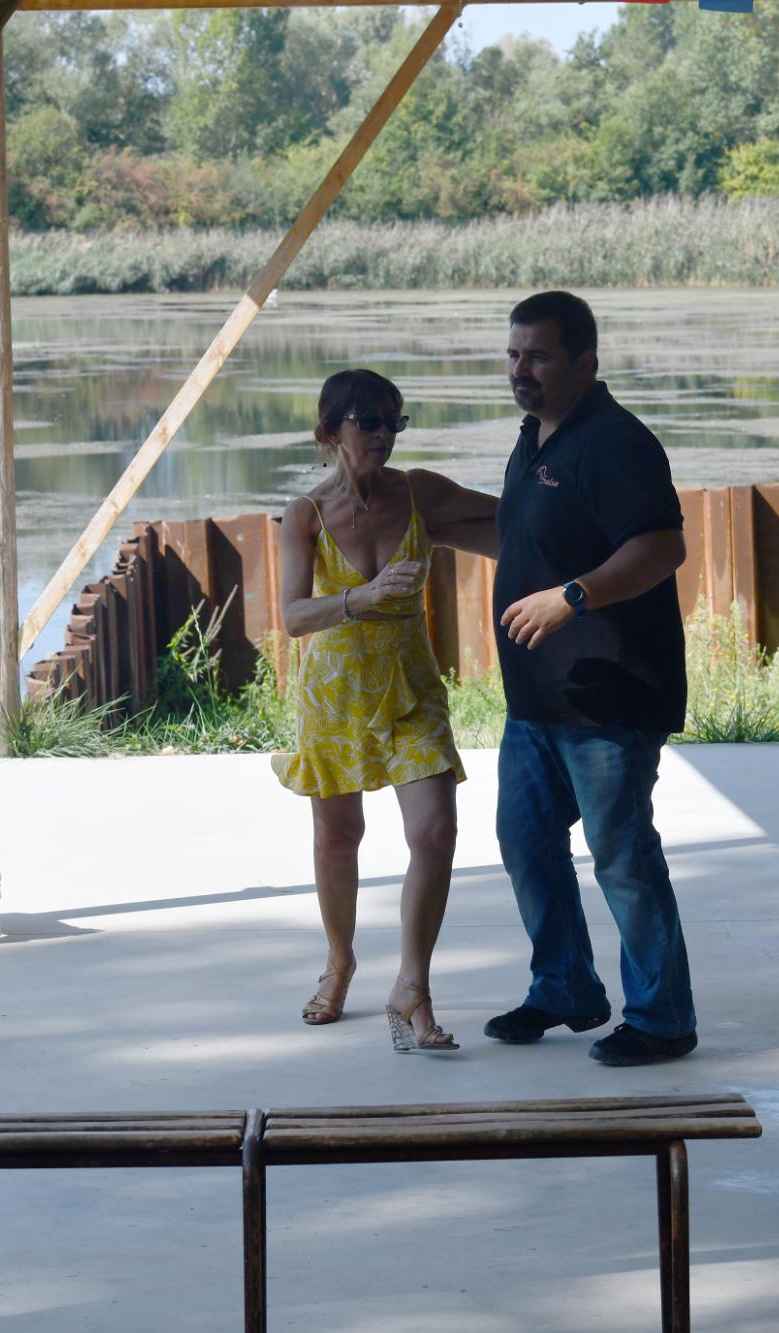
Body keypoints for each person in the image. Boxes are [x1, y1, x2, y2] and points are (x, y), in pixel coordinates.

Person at [482, 291, 699, 1067]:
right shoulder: (535, 438)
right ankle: (565, 986)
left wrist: (572, 596)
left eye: (538, 356)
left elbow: (661, 546)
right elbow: (533, 532)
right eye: (514, 354)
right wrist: (429, 514)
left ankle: (663, 1018)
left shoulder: (615, 442)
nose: (521, 369)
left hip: (611, 697)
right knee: (525, 840)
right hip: (537, 700)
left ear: (584, 361)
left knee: (621, 853)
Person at [272, 368, 498, 1054]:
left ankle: (413, 986)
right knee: (338, 837)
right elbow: (292, 616)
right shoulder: (304, 515)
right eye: (368, 421)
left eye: (393, 420)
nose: (384, 434)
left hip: (409, 689)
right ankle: (339, 962)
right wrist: (359, 599)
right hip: (334, 695)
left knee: (435, 832)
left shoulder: (418, 491)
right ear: (329, 431)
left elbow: (513, 516)